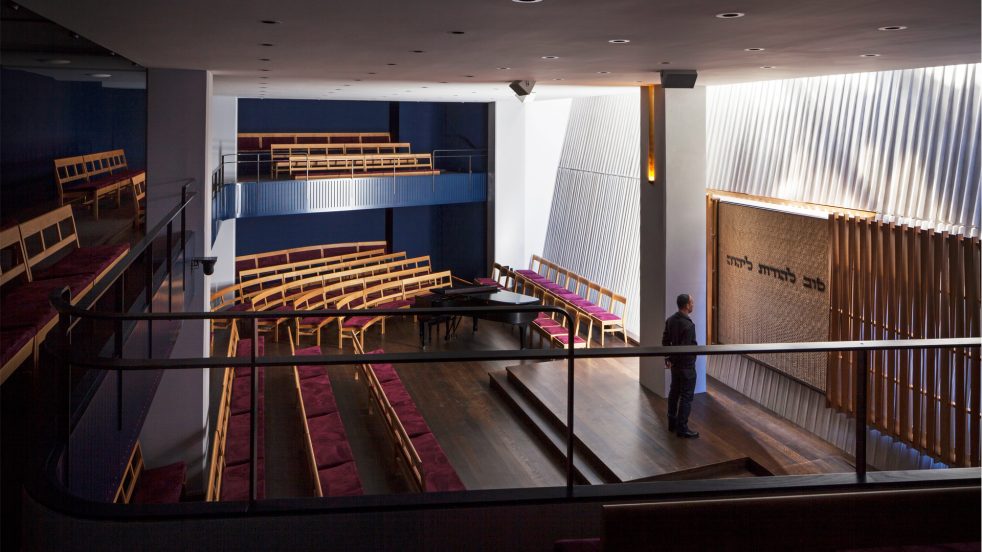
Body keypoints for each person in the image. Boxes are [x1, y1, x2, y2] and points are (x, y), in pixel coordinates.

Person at [662, 293, 699, 438]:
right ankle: (682, 428)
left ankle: (672, 423)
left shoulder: (670, 320)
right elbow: (686, 348)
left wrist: (669, 358)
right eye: (692, 302)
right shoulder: (688, 325)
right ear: (687, 305)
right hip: (687, 366)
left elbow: (665, 341)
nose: (693, 305)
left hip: (675, 366)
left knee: (674, 392)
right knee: (686, 397)